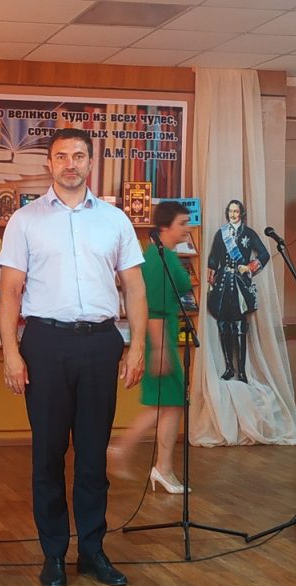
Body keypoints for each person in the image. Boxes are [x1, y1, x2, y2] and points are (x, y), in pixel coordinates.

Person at [0, 127, 147, 586]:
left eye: (78, 156)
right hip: (45, 343)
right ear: (49, 163)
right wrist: (10, 353)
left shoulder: (115, 220)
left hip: (101, 343)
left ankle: (93, 551)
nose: (70, 164)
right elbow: (10, 291)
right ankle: (54, 554)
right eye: (61, 156)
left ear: (90, 162)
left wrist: (137, 346)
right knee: (47, 454)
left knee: (92, 455)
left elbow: (135, 288)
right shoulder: (25, 221)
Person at [112, 201, 193, 494]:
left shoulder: (162, 255)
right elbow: (154, 311)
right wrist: (159, 350)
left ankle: (160, 466)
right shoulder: (158, 261)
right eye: (182, 223)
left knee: (168, 404)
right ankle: (142, 458)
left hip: (164, 338)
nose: (187, 229)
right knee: (167, 404)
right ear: (165, 227)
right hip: (159, 339)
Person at [205, 199, 270, 382]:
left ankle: (242, 372)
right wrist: (211, 279)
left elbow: (264, 254)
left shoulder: (249, 233)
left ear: (241, 213)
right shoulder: (221, 234)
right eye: (230, 211)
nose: (233, 215)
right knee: (223, 324)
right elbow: (213, 258)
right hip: (223, 284)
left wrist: (249, 267)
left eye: (236, 211)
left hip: (240, 284)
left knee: (240, 325)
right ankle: (229, 368)